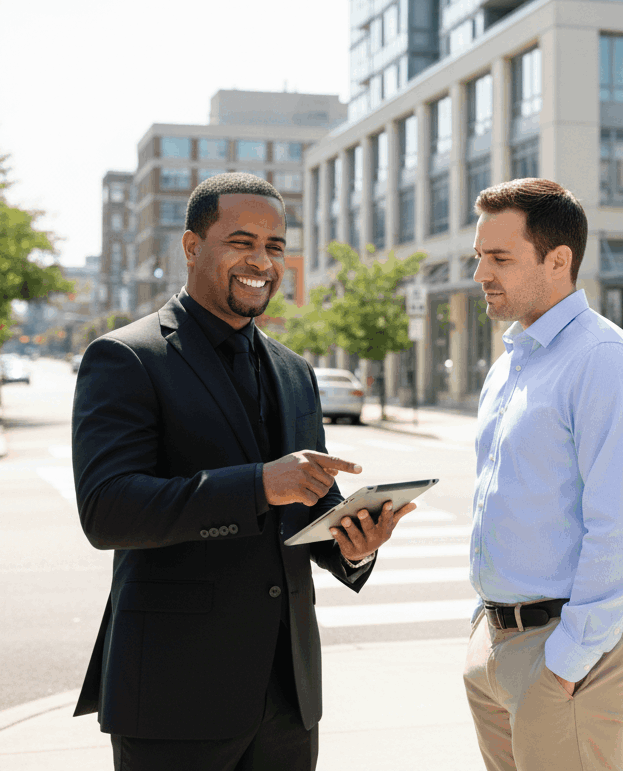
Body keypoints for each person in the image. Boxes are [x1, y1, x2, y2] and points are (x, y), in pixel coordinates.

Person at [71, 172, 415, 771]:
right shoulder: (126, 358)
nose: (262, 261)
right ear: (190, 246)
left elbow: (310, 505)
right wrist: (259, 484)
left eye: (275, 246)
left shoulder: (295, 372)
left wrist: (355, 545)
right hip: (174, 697)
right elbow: (107, 510)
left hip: (288, 695)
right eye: (242, 241)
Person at [462, 178, 623, 771]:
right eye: (480, 256)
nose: (481, 274)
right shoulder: (513, 363)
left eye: (500, 257)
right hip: (500, 641)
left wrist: (567, 659)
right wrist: (485, 628)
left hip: (566, 649)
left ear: (558, 261)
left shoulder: (603, 362)